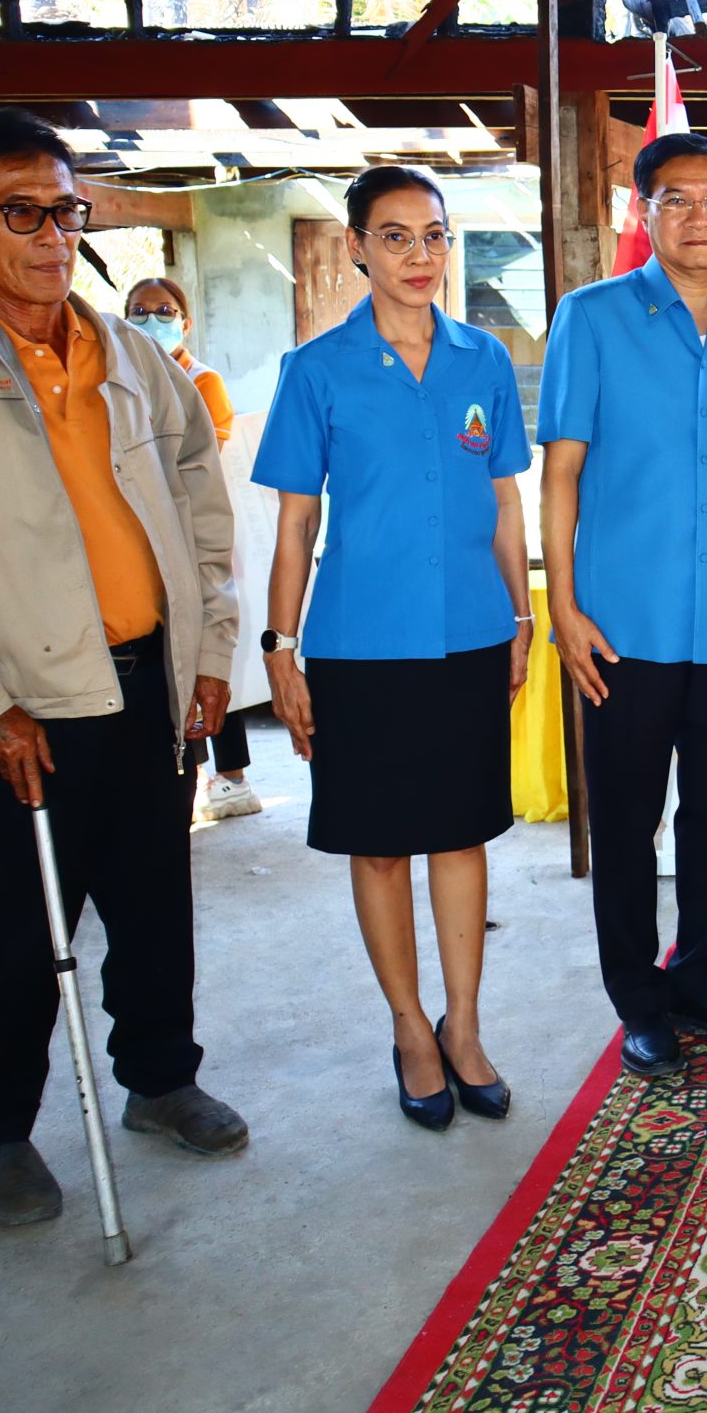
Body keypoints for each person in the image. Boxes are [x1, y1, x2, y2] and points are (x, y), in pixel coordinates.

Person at [0, 107, 247, 1225]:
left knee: (155, 907)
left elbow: (202, 508)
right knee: (14, 934)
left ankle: (160, 1079)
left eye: (64, 211)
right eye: (21, 211)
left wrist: (208, 651)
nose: (51, 235)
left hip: (147, 686)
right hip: (17, 710)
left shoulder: (128, 351)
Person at [254, 165, 530, 1131]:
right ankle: (410, 1028)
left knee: (461, 832)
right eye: (398, 236)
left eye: (436, 235)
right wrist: (280, 649)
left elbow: (504, 500)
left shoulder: (482, 360)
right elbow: (295, 526)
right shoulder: (317, 370)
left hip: (468, 636)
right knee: (378, 845)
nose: (421, 256)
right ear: (359, 247)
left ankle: (464, 1027)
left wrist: (521, 616)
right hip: (357, 645)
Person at [540, 131, 707, 1078]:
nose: (700, 216)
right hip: (623, 625)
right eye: (678, 199)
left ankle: (700, 977)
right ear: (644, 214)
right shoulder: (593, 317)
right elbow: (562, 468)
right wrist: (562, 601)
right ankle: (637, 998)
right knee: (625, 819)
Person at [124, 275, 261, 822]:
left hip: (198, 536)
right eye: (138, 310)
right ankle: (192, 770)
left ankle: (231, 777)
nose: (151, 319)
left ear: (184, 321)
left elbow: (201, 471)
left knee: (213, 659)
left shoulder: (201, 382)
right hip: (148, 543)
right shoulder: (122, 373)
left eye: (163, 310)